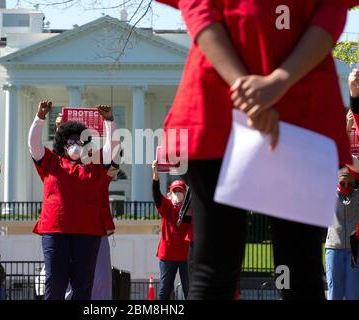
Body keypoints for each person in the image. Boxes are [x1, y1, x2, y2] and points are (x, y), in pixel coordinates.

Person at [157, 0, 358, 300]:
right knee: (298, 271)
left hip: (220, 104)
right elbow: (330, 11)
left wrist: (250, 88)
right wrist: (276, 84)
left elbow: (199, 8)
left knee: (218, 269)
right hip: (295, 108)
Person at [28, 101, 119, 300]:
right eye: (70, 142)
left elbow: (111, 148)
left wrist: (109, 121)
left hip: (87, 233)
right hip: (55, 232)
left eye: (80, 141)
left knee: (83, 286)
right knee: (55, 282)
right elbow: (34, 144)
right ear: (62, 144)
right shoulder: (51, 162)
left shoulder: (94, 165)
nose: (75, 145)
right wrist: (40, 118)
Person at [55, 113, 119, 301]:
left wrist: (109, 123)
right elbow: (61, 158)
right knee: (69, 280)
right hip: (68, 229)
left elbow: (111, 154)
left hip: (95, 229)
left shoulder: (99, 169)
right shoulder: (62, 167)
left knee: (100, 279)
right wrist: (60, 130)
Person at [151, 160, 191, 300]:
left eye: (181, 191)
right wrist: (155, 174)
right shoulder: (166, 207)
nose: (178, 194)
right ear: (170, 193)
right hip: (168, 254)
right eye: (175, 191)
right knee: (165, 289)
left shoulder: (189, 209)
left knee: (189, 290)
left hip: (186, 254)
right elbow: (156, 194)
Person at [325, 170, 359, 300]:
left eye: (349, 183)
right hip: (334, 248)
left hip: (354, 251)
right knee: (334, 293)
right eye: (342, 183)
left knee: (353, 293)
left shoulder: (357, 196)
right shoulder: (330, 195)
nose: (346, 186)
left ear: (354, 182)